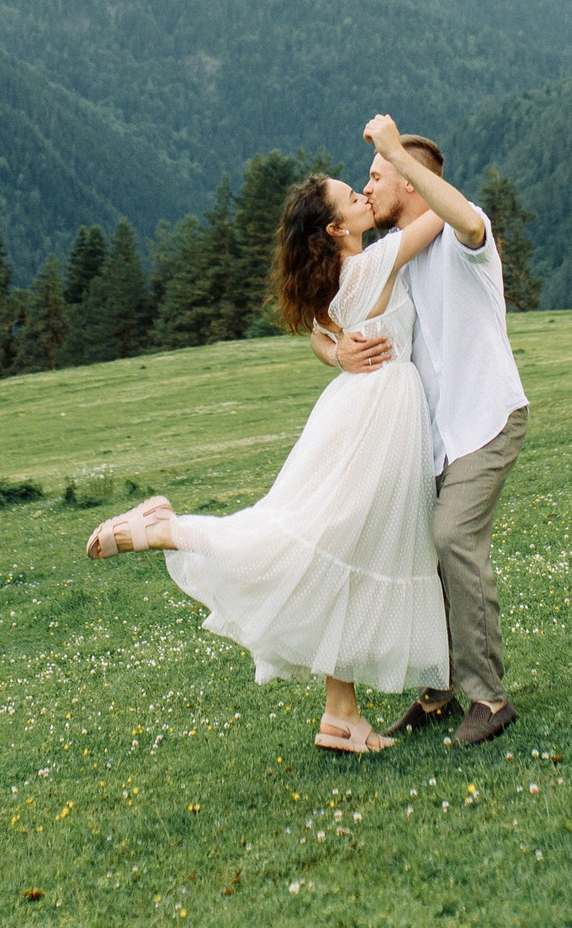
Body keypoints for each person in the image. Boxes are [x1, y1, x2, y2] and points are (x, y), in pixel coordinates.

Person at [82, 166, 451, 755]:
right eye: (353, 197)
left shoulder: (338, 276)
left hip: (360, 410)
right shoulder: (368, 265)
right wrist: (401, 164)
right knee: (312, 541)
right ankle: (161, 531)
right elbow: (447, 212)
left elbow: (316, 333)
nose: (363, 195)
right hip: (377, 417)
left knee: (345, 552)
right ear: (336, 227)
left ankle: (341, 714)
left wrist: (335, 352)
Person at [320, 116, 528, 749]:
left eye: (376, 176)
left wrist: (397, 152)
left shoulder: (466, 231)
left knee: (451, 537)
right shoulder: (394, 257)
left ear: (409, 183)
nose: (368, 187)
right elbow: (324, 317)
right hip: (430, 437)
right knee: (419, 552)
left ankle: (488, 697)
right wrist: (336, 354)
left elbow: (464, 218)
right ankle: (438, 695)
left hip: (486, 418)